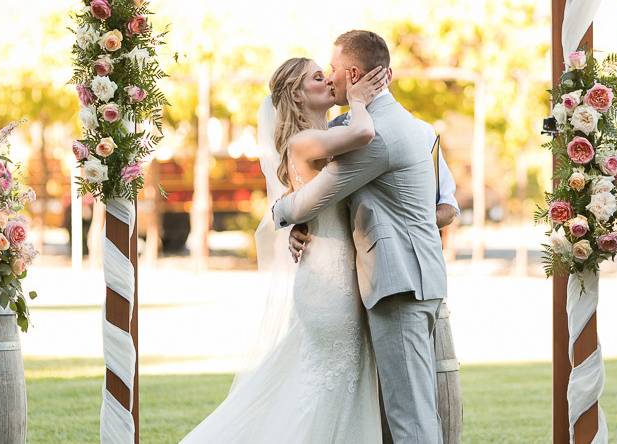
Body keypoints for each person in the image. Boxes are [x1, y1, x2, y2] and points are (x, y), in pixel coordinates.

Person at [181, 57, 388, 443]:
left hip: (335, 273)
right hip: (329, 285)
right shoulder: (304, 141)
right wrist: (358, 98)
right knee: (329, 387)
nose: (327, 79)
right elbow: (364, 134)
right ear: (296, 93)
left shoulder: (323, 133)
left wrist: (297, 225)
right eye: (316, 76)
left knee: (331, 384)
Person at [274, 30, 459, 444]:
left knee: (408, 417)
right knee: (402, 410)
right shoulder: (398, 124)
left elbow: (314, 197)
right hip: (405, 281)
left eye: (333, 69)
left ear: (353, 73)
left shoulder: (376, 136)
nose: (329, 76)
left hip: (398, 285)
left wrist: (281, 214)